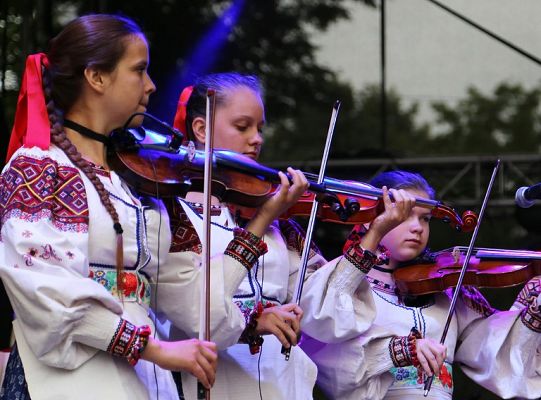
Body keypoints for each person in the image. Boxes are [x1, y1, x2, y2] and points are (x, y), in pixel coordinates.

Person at [0, 14, 219, 400]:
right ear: (96, 77)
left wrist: (252, 235)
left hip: (144, 376)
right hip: (71, 378)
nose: (151, 86)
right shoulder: (37, 166)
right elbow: (44, 287)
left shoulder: (136, 179)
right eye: (139, 70)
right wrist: (154, 349)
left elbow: (184, 288)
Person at [152, 72, 326, 400]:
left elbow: (320, 309)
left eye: (260, 128)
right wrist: (262, 219)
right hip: (215, 384)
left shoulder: (276, 219)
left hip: (281, 383)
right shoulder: (173, 213)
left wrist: (371, 239)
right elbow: (197, 314)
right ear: (201, 129)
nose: (256, 139)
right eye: (243, 126)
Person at [299, 170, 541, 399]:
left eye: (425, 219)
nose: (417, 227)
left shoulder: (443, 290)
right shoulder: (346, 281)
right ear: (371, 219)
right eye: (405, 216)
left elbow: (496, 353)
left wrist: (536, 306)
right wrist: (396, 351)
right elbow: (322, 343)